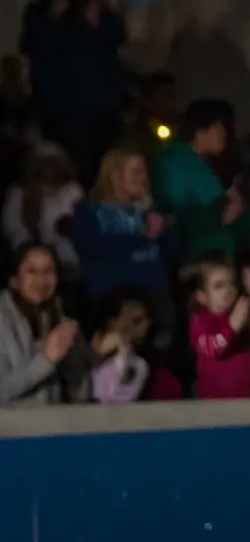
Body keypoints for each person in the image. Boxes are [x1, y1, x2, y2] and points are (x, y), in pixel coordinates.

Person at [20, 0, 126, 187]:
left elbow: (118, 36)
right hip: (63, 115)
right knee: (69, 179)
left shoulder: (94, 7)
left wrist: (97, 20)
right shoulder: (39, 12)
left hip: (102, 112)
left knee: (102, 179)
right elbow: (36, 48)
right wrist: (53, 18)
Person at [72, 149, 170, 321]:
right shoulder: (90, 213)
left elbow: (166, 252)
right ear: (115, 175)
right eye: (135, 171)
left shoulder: (150, 209)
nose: (142, 177)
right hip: (113, 301)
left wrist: (166, 229)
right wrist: (143, 236)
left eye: (144, 170)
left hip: (153, 297)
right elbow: (93, 250)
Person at [151, 100, 250, 266]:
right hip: (194, 259)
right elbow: (177, 213)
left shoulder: (212, 164)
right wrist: (221, 215)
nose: (224, 134)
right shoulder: (174, 162)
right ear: (200, 130)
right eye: (218, 128)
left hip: (219, 253)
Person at [0, 243, 89, 405]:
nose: (41, 280)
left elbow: (80, 395)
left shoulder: (63, 321)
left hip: (54, 426)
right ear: (14, 280)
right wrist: (46, 360)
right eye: (32, 271)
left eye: (48, 271)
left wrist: (86, 356)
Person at [188, 257, 250, 400]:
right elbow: (211, 348)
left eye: (231, 284)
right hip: (215, 407)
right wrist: (232, 328)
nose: (227, 291)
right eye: (219, 286)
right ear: (202, 296)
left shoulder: (245, 315)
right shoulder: (199, 321)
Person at [2, 142, 84, 276]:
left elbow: (70, 225)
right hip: (25, 257)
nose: (48, 167)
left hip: (65, 259)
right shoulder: (17, 192)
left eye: (52, 162)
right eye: (43, 163)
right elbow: (13, 228)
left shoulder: (72, 190)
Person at [89, 290, 152, 404]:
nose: (144, 327)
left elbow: (119, 397)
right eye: (136, 321)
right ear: (112, 322)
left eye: (145, 320)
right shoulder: (89, 360)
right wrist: (96, 355)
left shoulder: (140, 365)